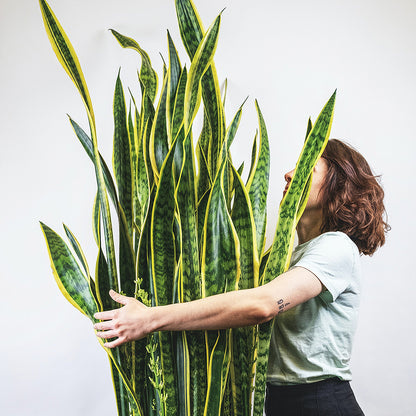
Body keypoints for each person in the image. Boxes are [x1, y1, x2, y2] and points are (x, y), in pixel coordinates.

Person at [93, 139, 389, 415]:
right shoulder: (290, 257)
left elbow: (262, 305)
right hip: (281, 400)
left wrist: (150, 319)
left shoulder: (336, 246)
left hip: (319, 403)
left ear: (339, 186)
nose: (288, 174)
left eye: (305, 169)